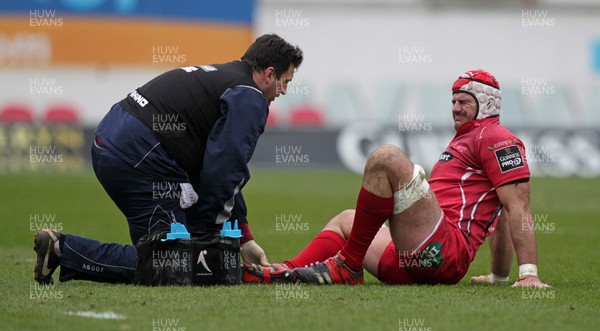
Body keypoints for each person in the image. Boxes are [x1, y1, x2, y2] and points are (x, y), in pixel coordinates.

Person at [33, 34, 303, 285]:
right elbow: (225, 169)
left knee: (169, 249)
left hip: (115, 140)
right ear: (269, 74)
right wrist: (209, 232)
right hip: (139, 153)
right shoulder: (250, 97)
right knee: (172, 262)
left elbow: (220, 167)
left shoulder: (227, 77)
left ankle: (63, 250)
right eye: (286, 81)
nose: (284, 91)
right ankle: (61, 249)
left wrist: (243, 238)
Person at [245, 70, 550, 288]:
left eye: (464, 101)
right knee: (345, 220)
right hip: (416, 259)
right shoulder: (466, 139)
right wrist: (497, 278)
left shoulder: (496, 138)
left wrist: (529, 274)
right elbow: (498, 214)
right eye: (454, 100)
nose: (455, 107)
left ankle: (348, 266)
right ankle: (281, 271)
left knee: (387, 158)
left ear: (486, 105)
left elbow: (516, 207)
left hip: (444, 253)